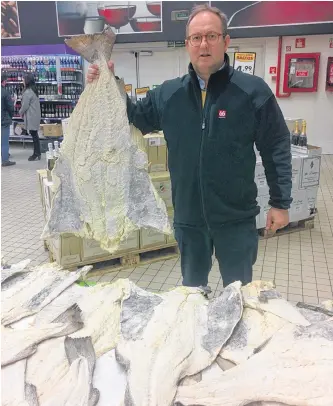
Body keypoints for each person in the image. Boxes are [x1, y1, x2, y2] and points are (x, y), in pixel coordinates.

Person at [87, 5, 292, 289]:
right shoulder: (169, 93)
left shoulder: (253, 91)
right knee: (192, 294)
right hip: (189, 220)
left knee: (239, 293)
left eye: (211, 36)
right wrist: (110, 83)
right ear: (187, 45)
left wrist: (280, 204)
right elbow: (135, 117)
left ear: (226, 41)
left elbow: (276, 146)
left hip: (236, 219)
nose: (203, 44)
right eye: (196, 38)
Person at [19, 72, 41, 161]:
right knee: (34, 134)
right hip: (35, 114)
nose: (22, 81)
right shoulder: (33, 89)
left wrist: (20, 112)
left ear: (27, 81)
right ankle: (37, 153)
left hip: (32, 116)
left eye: (23, 79)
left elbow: (25, 105)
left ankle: (36, 153)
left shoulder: (28, 92)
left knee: (34, 135)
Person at [1, 72, 16, 167]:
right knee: (4, 140)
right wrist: (11, 115)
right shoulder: (4, 92)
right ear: (3, 81)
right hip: (3, 119)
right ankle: (5, 160)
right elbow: (10, 107)